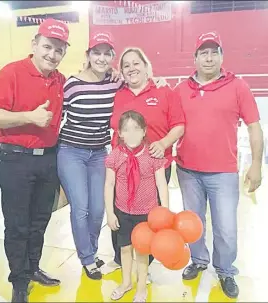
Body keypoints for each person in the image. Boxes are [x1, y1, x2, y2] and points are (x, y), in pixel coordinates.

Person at [58, 33, 168, 280]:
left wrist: (158, 81)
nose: (101, 58)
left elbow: (137, 81)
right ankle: (87, 258)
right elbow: (58, 118)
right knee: (81, 208)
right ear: (88, 56)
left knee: (98, 209)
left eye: (107, 53)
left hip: (99, 153)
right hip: (71, 152)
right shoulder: (72, 84)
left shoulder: (114, 82)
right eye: (96, 52)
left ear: (111, 58)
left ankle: (93, 251)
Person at [0, 19, 69, 302]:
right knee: (18, 224)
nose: (51, 55)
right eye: (47, 47)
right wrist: (28, 117)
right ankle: (19, 279)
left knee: (40, 221)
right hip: (16, 160)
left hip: (48, 160)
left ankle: (33, 268)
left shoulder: (60, 80)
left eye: (58, 50)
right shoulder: (11, 73)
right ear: (34, 44)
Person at [174, 32, 264, 299]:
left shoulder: (238, 87)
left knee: (226, 227)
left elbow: (254, 127)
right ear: (195, 58)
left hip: (223, 172)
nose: (209, 57)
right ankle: (199, 260)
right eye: (204, 52)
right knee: (193, 222)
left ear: (222, 56)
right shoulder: (181, 89)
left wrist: (256, 165)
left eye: (214, 52)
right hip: (187, 170)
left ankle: (225, 269)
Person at [102, 47, 185, 277]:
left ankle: (144, 264)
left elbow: (179, 125)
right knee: (121, 213)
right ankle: (120, 259)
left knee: (148, 217)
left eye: (136, 63)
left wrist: (164, 143)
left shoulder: (164, 91)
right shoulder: (119, 94)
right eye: (126, 65)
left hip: (154, 167)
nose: (131, 68)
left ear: (147, 66)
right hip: (123, 168)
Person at [104, 110, 169, 302]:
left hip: (146, 214)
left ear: (144, 132)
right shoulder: (115, 156)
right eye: (126, 130)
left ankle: (141, 288)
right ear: (120, 134)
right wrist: (110, 213)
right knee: (124, 249)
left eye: (136, 129)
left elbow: (161, 184)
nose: (131, 134)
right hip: (123, 212)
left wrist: (164, 211)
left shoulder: (152, 155)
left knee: (142, 252)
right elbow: (109, 185)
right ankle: (126, 282)